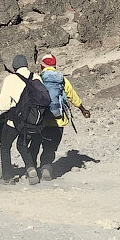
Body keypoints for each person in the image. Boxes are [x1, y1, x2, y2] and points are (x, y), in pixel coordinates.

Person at [36, 53, 92, 181]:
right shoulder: (61, 79)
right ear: (55, 65)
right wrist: (82, 109)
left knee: (37, 143)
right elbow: (72, 95)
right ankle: (46, 166)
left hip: (41, 120)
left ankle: (33, 168)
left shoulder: (39, 79)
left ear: (41, 65)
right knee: (50, 146)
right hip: (58, 120)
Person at [0, 54, 47, 184]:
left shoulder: (10, 79)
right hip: (34, 120)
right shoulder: (36, 77)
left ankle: (8, 177)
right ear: (26, 65)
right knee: (22, 145)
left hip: (15, 121)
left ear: (14, 66)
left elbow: (3, 105)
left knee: (5, 145)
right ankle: (30, 169)